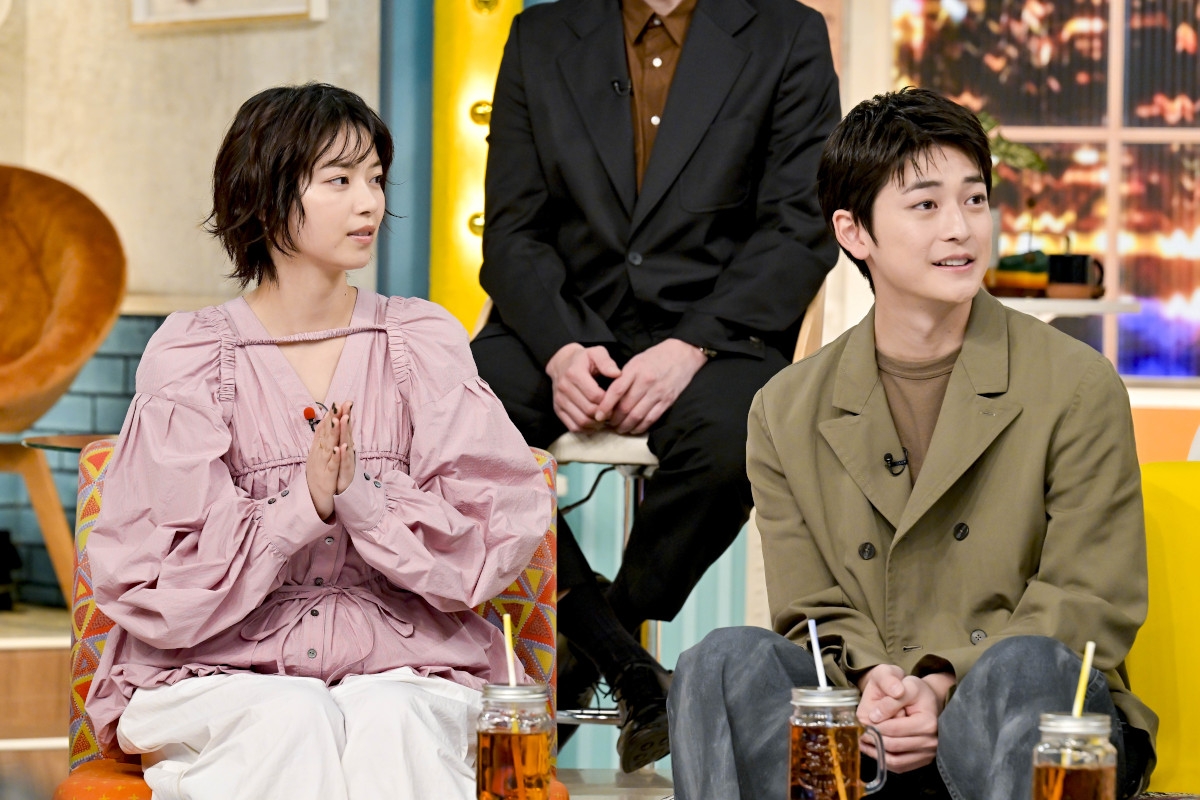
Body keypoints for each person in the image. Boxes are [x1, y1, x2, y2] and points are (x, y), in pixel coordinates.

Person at [667, 87, 1157, 799]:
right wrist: (875, 687)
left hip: (1029, 725)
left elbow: (1091, 597)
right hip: (862, 728)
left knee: (1028, 667)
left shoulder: (1078, 383)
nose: (960, 228)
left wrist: (943, 683)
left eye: (974, 199)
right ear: (853, 232)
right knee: (720, 662)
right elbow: (810, 612)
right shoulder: (783, 409)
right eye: (925, 205)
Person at [85, 83, 554, 800]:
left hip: (406, 660)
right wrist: (299, 506)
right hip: (220, 666)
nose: (370, 204)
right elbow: (154, 569)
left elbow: (492, 530)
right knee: (290, 717)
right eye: (339, 180)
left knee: (393, 718)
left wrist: (361, 498)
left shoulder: (422, 339)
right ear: (265, 196)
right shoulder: (190, 354)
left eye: (376, 179)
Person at [472, 0, 841, 771]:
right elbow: (512, 230)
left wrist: (692, 344)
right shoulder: (539, 35)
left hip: (718, 328)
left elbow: (798, 228)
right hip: (561, 320)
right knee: (456, 417)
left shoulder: (790, 34)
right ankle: (631, 666)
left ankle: (597, 640)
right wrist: (560, 347)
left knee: (739, 438)